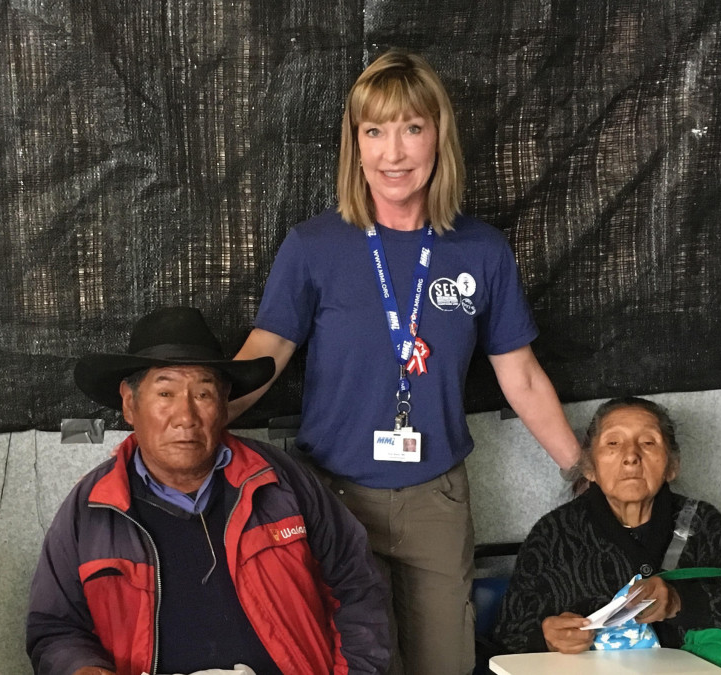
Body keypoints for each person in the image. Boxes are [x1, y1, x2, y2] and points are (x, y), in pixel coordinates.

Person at [230, 49, 580, 675]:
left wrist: (579, 468)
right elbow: (267, 351)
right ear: (355, 145)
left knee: (445, 662)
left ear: (438, 137)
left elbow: (519, 373)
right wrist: (199, 424)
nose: (394, 153)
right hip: (335, 496)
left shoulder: (481, 250)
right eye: (375, 131)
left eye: (412, 128)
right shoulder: (313, 246)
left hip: (435, 499)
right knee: (352, 662)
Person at [26, 307, 390, 675]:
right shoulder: (91, 509)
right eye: (165, 392)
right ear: (129, 403)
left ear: (224, 402)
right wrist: (82, 669)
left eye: (202, 393)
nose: (186, 416)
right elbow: (53, 627)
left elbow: (358, 588)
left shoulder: (281, 483)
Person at [493, 396, 721, 654]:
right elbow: (508, 635)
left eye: (648, 442)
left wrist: (681, 602)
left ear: (671, 465)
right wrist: (545, 637)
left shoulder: (711, 530)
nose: (631, 457)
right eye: (613, 442)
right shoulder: (554, 535)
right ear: (590, 467)